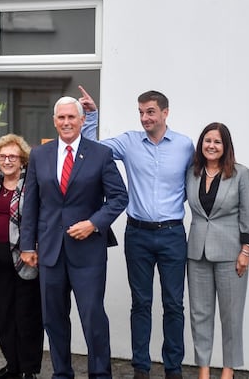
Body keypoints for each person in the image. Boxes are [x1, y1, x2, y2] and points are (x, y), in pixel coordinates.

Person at [79, 87, 194, 379]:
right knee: (141, 303)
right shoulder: (129, 142)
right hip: (138, 234)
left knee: (173, 304)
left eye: (151, 112)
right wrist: (91, 115)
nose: (145, 117)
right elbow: (91, 148)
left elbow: (197, 181)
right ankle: (141, 368)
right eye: (141, 112)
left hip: (172, 234)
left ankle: (173, 368)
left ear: (165, 113)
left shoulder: (184, 146)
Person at [19, 96, 129, 379]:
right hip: (50, 251)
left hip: (88, 251)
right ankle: (62, 373)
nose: (66, 122)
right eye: (61, 118)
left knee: (92, 316)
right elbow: (31, 203)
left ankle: (100, 373)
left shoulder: (100, 154)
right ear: (54, 121)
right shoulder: (39, 155)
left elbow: (119, 197)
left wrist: (94, 223)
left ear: (82, 120)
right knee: (53, 319)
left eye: (71, 117)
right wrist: (27, 245)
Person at [186, 123, 249, 379]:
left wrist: (245, 251)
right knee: (199, 314)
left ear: (225, 146)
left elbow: (248, 215)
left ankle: (228, 370)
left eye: (217, 142)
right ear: (201, 144)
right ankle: (203, 369)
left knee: (231, 315)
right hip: (197, 254)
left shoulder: (241, 174)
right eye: (207, 141)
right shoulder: (192, 173)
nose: (211, 146)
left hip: (230, 254)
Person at [0, 134, 44, 379]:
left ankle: (29, 369)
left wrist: (37, 247)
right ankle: (12, 366)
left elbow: (40, 218)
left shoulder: (31, 185)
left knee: (27, 316)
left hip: (25, 258)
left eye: (13, 156)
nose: (7, 160)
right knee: (4, 315)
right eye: (3, 156)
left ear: (22, 160)